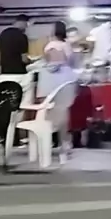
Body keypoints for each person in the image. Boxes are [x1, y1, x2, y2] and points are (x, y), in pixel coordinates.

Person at [37, 21, 78, 162]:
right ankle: (64, 143)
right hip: (65, 82)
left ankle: (46, 142)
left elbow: (48, 63)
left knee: (48, 113)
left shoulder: (49, 46)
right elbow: (71, 63)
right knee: (63, 113)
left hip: (49, 82)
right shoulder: (67, 46)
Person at [0, 14, 31, 91]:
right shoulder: (22, 36)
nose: (26, 27)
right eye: (27, 25)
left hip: (4, 73)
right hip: (18, 74)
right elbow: (24, 59)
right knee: (20, 95)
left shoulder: (3, 34)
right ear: (24, 23)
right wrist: (30, 61)